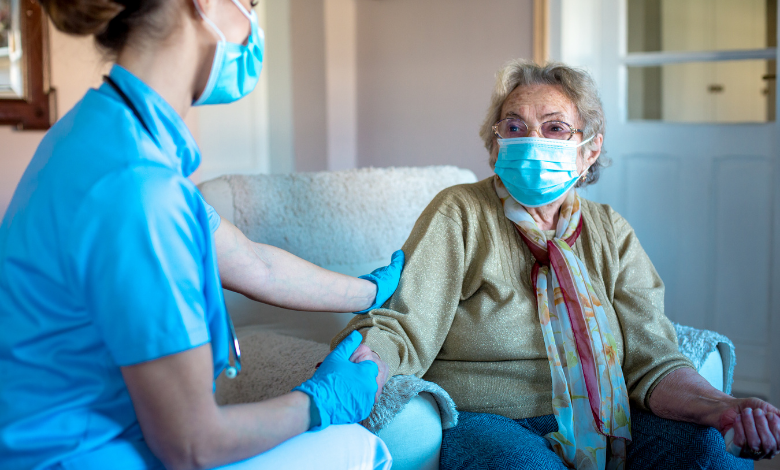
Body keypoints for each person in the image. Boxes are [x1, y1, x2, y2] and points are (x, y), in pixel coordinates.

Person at [0, 0, 399, 466]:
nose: (252, 23)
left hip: (43, 443)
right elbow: (192, 445)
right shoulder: (138, 189)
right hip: (77, 457)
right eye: (250, 4)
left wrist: (370, 291)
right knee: (359, 449)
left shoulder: (99, 132)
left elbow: (252, 262)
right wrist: (319, 402)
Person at [333, 60, 780, 470]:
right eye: (515, 126)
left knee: (707, 452)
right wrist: (369, 360)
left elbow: (654, 361)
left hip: (609, 417)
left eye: (555, 128)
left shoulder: (612, 232)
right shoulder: (460, 212)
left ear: (589, 150)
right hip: (491, 420)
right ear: (496, 141)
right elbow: (407, 323)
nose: (532, 141)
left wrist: (722, 407)